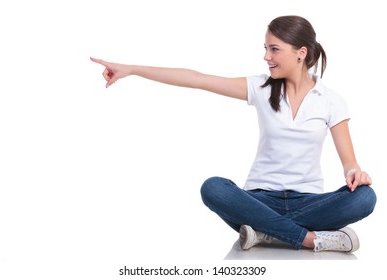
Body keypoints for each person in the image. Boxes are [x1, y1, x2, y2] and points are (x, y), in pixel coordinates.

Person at [91, 15, 376, 253]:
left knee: (365, 197)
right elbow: (198, 79)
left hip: (310, 201)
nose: (266, 56)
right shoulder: (261, 88)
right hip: (257, 199)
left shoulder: (331, 100)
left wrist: (356, 173)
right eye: (265, 48)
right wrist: (132, 69)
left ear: (300, 53)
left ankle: (265, 232)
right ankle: (308, 238)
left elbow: (350, 163)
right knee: (213, 188)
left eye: (274, 49)